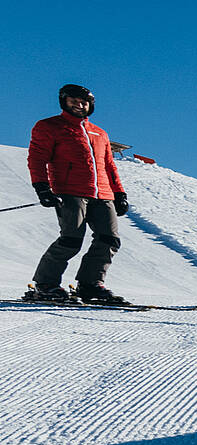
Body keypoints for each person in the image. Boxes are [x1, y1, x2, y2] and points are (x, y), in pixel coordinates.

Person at [25, 84, 130, 305]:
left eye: (83, 102)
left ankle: (90, 285)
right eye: (73, 101)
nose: (79, 105)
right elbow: (37, 158)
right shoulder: (49, 126)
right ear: (64, 102)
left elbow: (109, 166)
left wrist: (119, 193)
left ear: (90, 105)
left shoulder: (100, 133)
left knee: (109, 239)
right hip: (70, 191)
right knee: (71, 240)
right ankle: (45, 285)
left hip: (103, 193)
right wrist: (42, 187)